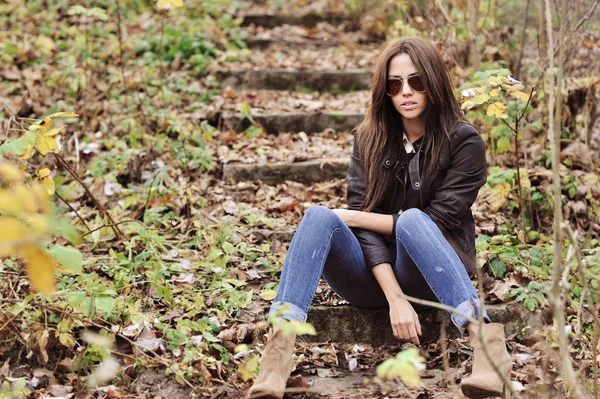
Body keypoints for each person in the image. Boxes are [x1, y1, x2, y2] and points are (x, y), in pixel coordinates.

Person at [248, 37, 512, 399]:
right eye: (395, 84)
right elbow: (361, 226)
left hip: (431, 272)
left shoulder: (464, 141)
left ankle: (487, 344)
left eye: (416, 81)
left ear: (434, 82)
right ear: (385, 91)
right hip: (372, 277)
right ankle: (276, 357)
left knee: (413, 220)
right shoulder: (369, 138)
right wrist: (394, 298)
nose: (406, 92)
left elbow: (439, 222)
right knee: (318, 216)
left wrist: (358, 218)